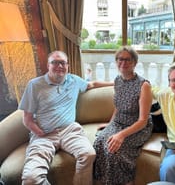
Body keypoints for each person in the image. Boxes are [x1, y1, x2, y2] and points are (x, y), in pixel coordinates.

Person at [18, 50, 113, 185]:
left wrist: (117, 82)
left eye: (62, 63)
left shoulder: (73, 80)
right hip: (44, 134)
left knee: (88, 154)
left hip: (70, 130)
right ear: (48, 65)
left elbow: (92, 84)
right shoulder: (35, 85)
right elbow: (26, 119)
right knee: (31, 179)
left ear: (68, 66)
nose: (59, 66)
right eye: (55, 63)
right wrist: (40, 132)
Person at [93, 46, 153, 185]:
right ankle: (105, 181)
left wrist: (121, 135)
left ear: (134, 62)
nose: (123, 63)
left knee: (114, 151)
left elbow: (143, 120)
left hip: (137, 126)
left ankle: (127, 181)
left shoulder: (144, 85)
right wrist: (110, 124)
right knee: (98, 143)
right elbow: (118, 107)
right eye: (120, 59)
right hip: (118, 122)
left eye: (128, 60)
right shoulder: (117, 80)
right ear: (116, 61)